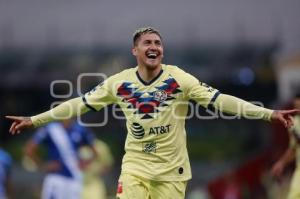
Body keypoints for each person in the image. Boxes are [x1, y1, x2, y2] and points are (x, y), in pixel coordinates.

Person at [6, 27, 299, 199]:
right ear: (135, 51)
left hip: (172, 173)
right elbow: (78, 104)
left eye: (158, 43)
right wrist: (35, 119)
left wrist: (268, 113)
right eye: (148, 42)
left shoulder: (179, 79)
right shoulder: (119, 82)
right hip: (135, 168)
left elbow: (222, 101)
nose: (154, 46)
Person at [23, 119, 96, 199]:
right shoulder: (51, 128)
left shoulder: (81, 129)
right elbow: (29, 149)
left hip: (74, 176)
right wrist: (43, 166)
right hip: (55, 177)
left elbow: (95, 152)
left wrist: (85, 163)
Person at [271, 93, 300, 199]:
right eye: (296, 107)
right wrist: (281, 163)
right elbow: (293, 148)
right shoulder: (294, 123)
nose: (298, 110)